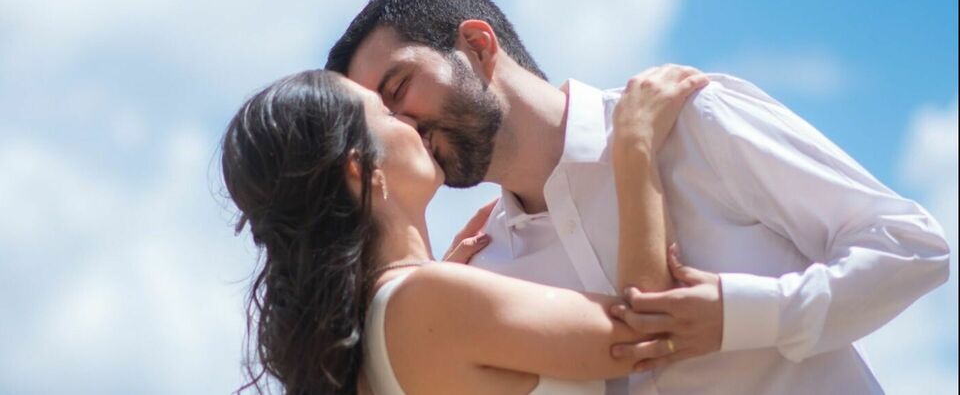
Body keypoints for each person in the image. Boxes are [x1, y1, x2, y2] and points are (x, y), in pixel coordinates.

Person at [326, 0, 951, 394]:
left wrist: (754, 314)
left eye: (398, 89)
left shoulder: (692, 121)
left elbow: (912, 246)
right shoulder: (481, 275)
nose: (400, 128)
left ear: (477, 45)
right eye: (381, 120)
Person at [221, 66, 707, 394]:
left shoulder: (369, 339)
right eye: (388, 114)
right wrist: (635, 146)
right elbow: (648, 332)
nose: (411, 120)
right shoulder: (426, 302)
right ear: (362, 168)